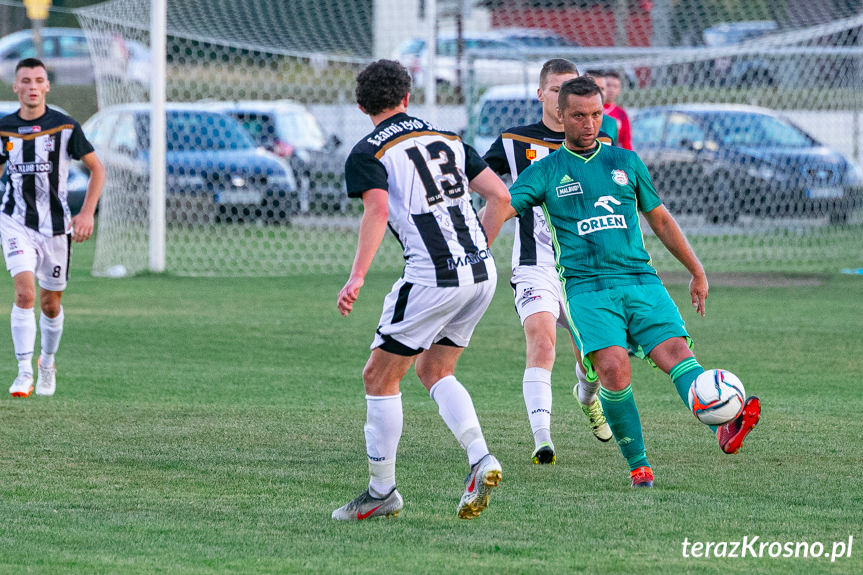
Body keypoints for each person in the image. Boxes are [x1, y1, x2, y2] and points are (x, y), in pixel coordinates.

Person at [504, 77, 761, 488]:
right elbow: (505, 206)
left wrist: (696, 270)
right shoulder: (546, 171)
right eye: (578, 116)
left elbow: (659, 218)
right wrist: (476, 241)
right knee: (612, 367)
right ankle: (639, 465)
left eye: (595, 115)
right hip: (587, 288)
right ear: (560, 115)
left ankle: (724, 422)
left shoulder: (626, 162)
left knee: (676, 353)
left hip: (641, 280)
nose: (588, 124)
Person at [332, 60, 512, 520]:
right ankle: (480, 458)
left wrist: (356, 278)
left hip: (433, 278)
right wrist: (474, 252)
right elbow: (501, 198)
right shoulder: (450, 139)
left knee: (379, 377)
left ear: (360, 105)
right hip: (480, 275)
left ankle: (381, 492)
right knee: (433, 370)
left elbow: (376, 211)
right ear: (407, 98)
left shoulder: (366, 152)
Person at [483, 59, 613, 467]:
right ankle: (543, 439)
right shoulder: (513, 141)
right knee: (541, 340)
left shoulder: (599, 144)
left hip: (583, 268)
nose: (563, 98)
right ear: (542, 94)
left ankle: (588, 397)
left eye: (570, 91)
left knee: (595, 359)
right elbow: (482, 181)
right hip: (532, 262)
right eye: (556, 90)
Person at [0, 58, 105, 398]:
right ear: (15, 87)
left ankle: (47, 362)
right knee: (25, 294)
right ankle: (23, 371)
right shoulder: (4, 129)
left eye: (38, 80)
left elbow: (97, 170)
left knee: (50, 303)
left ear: (47, 86)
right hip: (14, 221)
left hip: (56, 227)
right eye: (25, 80)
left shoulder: (66, 127)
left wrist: (86, 213)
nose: (32, 86)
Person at [583, 70, 619, 146]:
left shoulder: (611, 123)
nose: (599, 92)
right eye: (595, 87)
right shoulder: (574, 119)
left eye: (602, 89)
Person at [601, 70, 632, 150]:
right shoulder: (593, 110)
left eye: (615, 86)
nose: (611, 89)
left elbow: (626, 141)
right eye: (608, 85)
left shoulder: (621, 114)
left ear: (619, 90)